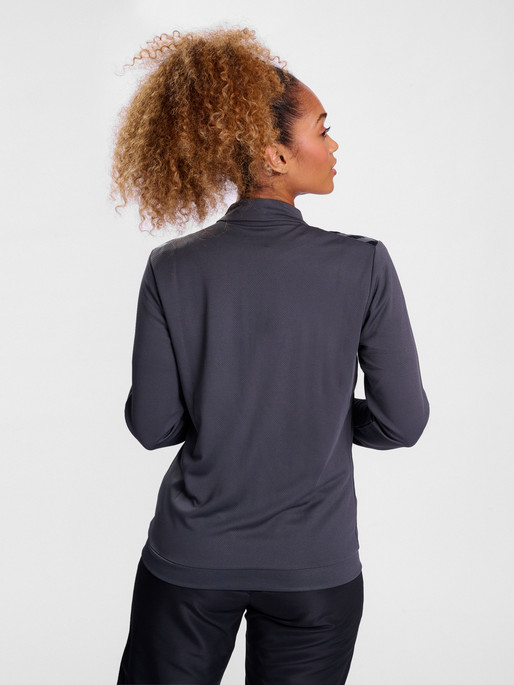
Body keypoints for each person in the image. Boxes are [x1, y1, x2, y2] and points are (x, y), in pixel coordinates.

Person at [110, 26, 430, 685]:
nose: (334, 144)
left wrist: (226, 404)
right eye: (322, 129)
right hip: (315, 569)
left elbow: (151, 426)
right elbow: (403, 422)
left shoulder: (171, 267)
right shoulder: (364, 265)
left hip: (190, 563)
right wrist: (322, 414)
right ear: (275, 154)